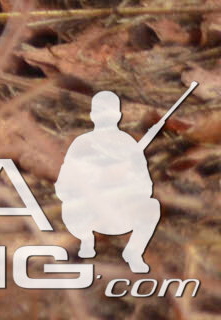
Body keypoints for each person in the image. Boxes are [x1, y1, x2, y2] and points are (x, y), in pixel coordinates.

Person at [57, 91, 163, 270]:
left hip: (121, 209)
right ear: (92, 115)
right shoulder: (82, 144)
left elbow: (146, 185)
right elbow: (63, 185)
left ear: (118, 115)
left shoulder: (128, 144)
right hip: (87, 211)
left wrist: (125, 184)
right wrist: (98, 180)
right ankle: (86, 242)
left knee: (152, 206)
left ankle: (134, 253)